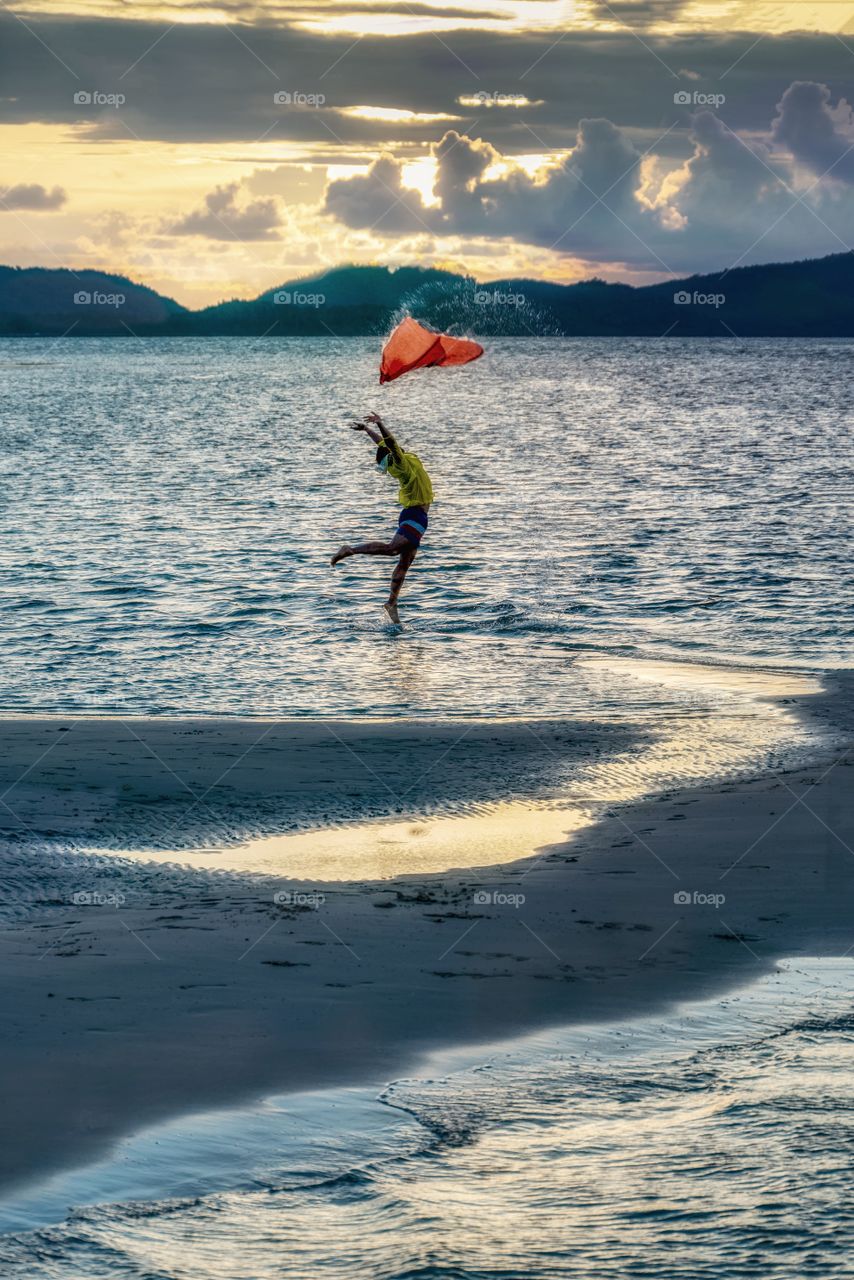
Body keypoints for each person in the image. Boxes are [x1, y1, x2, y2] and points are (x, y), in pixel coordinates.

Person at [331, 412, 433, 625]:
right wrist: (380, 424)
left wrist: (368, 430)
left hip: (419, 517)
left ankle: (391, 603)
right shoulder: (403, 466)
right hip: (414, 514)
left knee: (405, 561)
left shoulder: (407, 457)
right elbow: (392, 444)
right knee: (393, 549)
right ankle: (350, 549)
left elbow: (386, 445)